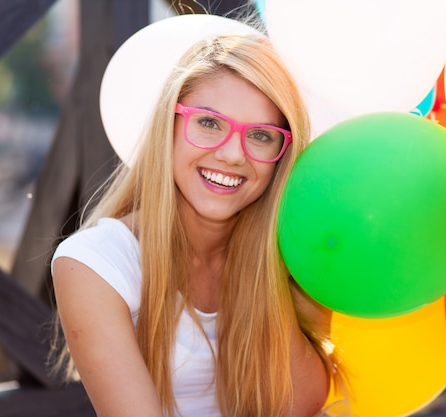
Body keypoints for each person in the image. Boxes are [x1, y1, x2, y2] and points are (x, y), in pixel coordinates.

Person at [50, 17, 344, 417]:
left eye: (260, 135)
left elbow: (300, 404)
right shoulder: (95, 263)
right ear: (167, 127)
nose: (232, 154)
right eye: (209, 123)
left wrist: (266, 271)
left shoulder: (288, 254)